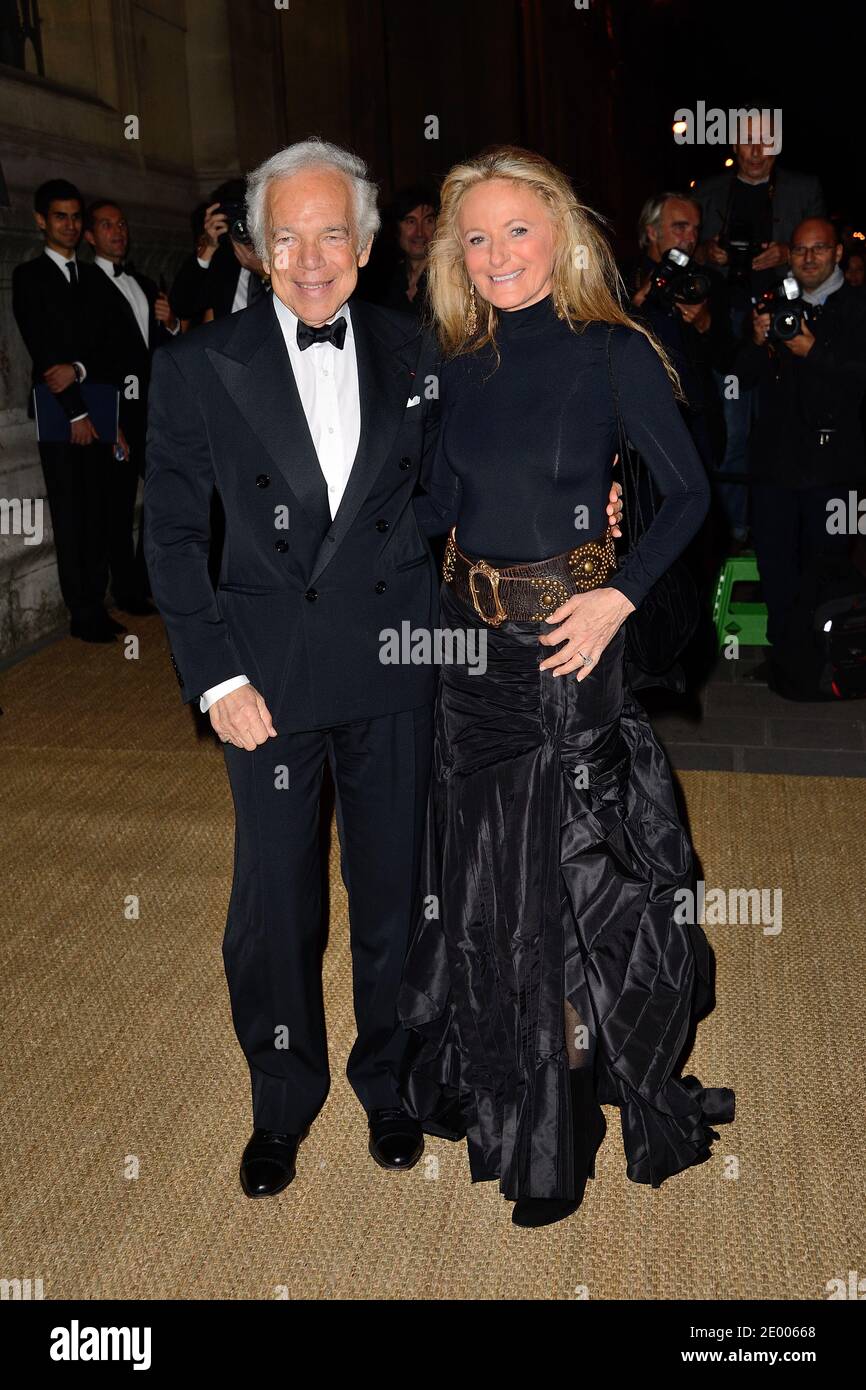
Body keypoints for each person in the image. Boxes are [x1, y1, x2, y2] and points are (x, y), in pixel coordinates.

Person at [144, 137, 625, 1202]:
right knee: (275, 904)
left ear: (363, 244)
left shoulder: (423, 351)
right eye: (286, 236)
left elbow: (496, 454)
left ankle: (392, 1081)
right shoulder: (194, 365)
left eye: (331, 234)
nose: (310, 258)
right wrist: (215, 680)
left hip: (400, 664)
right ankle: (280, 1099)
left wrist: (593, 508)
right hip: (263, 685)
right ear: (258, 248)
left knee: (400, 896)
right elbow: (171, 536)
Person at [397, 146, 735, 1229]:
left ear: (562, 235)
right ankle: (502, 1083)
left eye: (517, 231)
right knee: (484, 874)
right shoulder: (451, 358)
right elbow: (434, 502)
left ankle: (553, 1135)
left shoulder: (609, 352)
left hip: (564, 648)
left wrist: (616, 597)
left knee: (567, 881)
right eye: (477, 237)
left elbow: (685, 496)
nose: (497, 254)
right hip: (467, 647)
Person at [735, 217, 866, 656]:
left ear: (838, 254)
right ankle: (785, 655)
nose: (809, 258)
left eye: (820, 249)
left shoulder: (858, 306)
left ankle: (825, 655)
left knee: (827, 565)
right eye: (800, 250)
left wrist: (815, 353)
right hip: (775, 464)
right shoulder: (773, 304)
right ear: (788, 255)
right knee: (775, 564)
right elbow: (742, 376)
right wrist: (756, 341)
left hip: (836, 466)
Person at [695, 112, 825, 544]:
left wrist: (787, 253)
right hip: (728, 322)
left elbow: (821, 250)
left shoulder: (803, 190)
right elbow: (685, 252)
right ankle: (738, 529)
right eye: (748, 141)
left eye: (766, 142)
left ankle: (784, 525)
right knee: (732, 431)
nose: (756, 152)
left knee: (782, 423)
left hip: (785, 318)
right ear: (733, 146)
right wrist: (707, 252)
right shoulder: (712, 192)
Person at [12, 179, 120, 642]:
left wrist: (78, 369)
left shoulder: (94, 276)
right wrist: (75, 412)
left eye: (77, 217)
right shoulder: (29, 277)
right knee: (70, 512)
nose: (71, 225)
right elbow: (43, 350)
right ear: (41, 221)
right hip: (60, 413)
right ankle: (82, 611)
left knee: (97, 509)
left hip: (96, 403)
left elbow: (110, 346)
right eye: (61, 216)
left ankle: (97, 600)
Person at [84, 197, 178, 614]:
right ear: (90, 235)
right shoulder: (83, 284)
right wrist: (106, 419)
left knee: (163, 498)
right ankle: (126, 591)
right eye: (106, 225)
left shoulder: (143, 282)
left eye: (121, 224)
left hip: (152, 410)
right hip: (116, 411)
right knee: (117, 505)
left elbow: (163, 347)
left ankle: (147, 580)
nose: (117, 231)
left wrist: (171, 323)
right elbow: (89, 354)